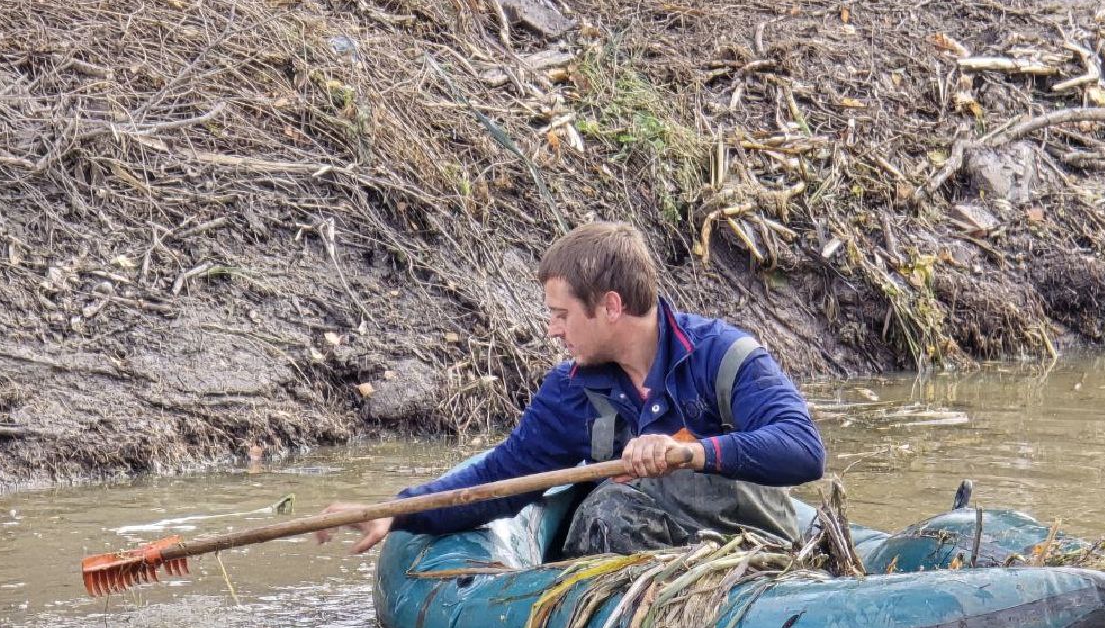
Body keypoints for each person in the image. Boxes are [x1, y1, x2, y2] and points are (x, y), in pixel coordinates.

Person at [317, 221, 825, 558]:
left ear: (609, 306)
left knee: (615, 504)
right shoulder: (569, 391)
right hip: (643, 581)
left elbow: (803, 452)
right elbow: (502, 478)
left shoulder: (723, 356)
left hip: (750, 560)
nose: (553, 331)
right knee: (606, 506)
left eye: (561, 315)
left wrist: (686, 453)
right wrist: (395, 511)